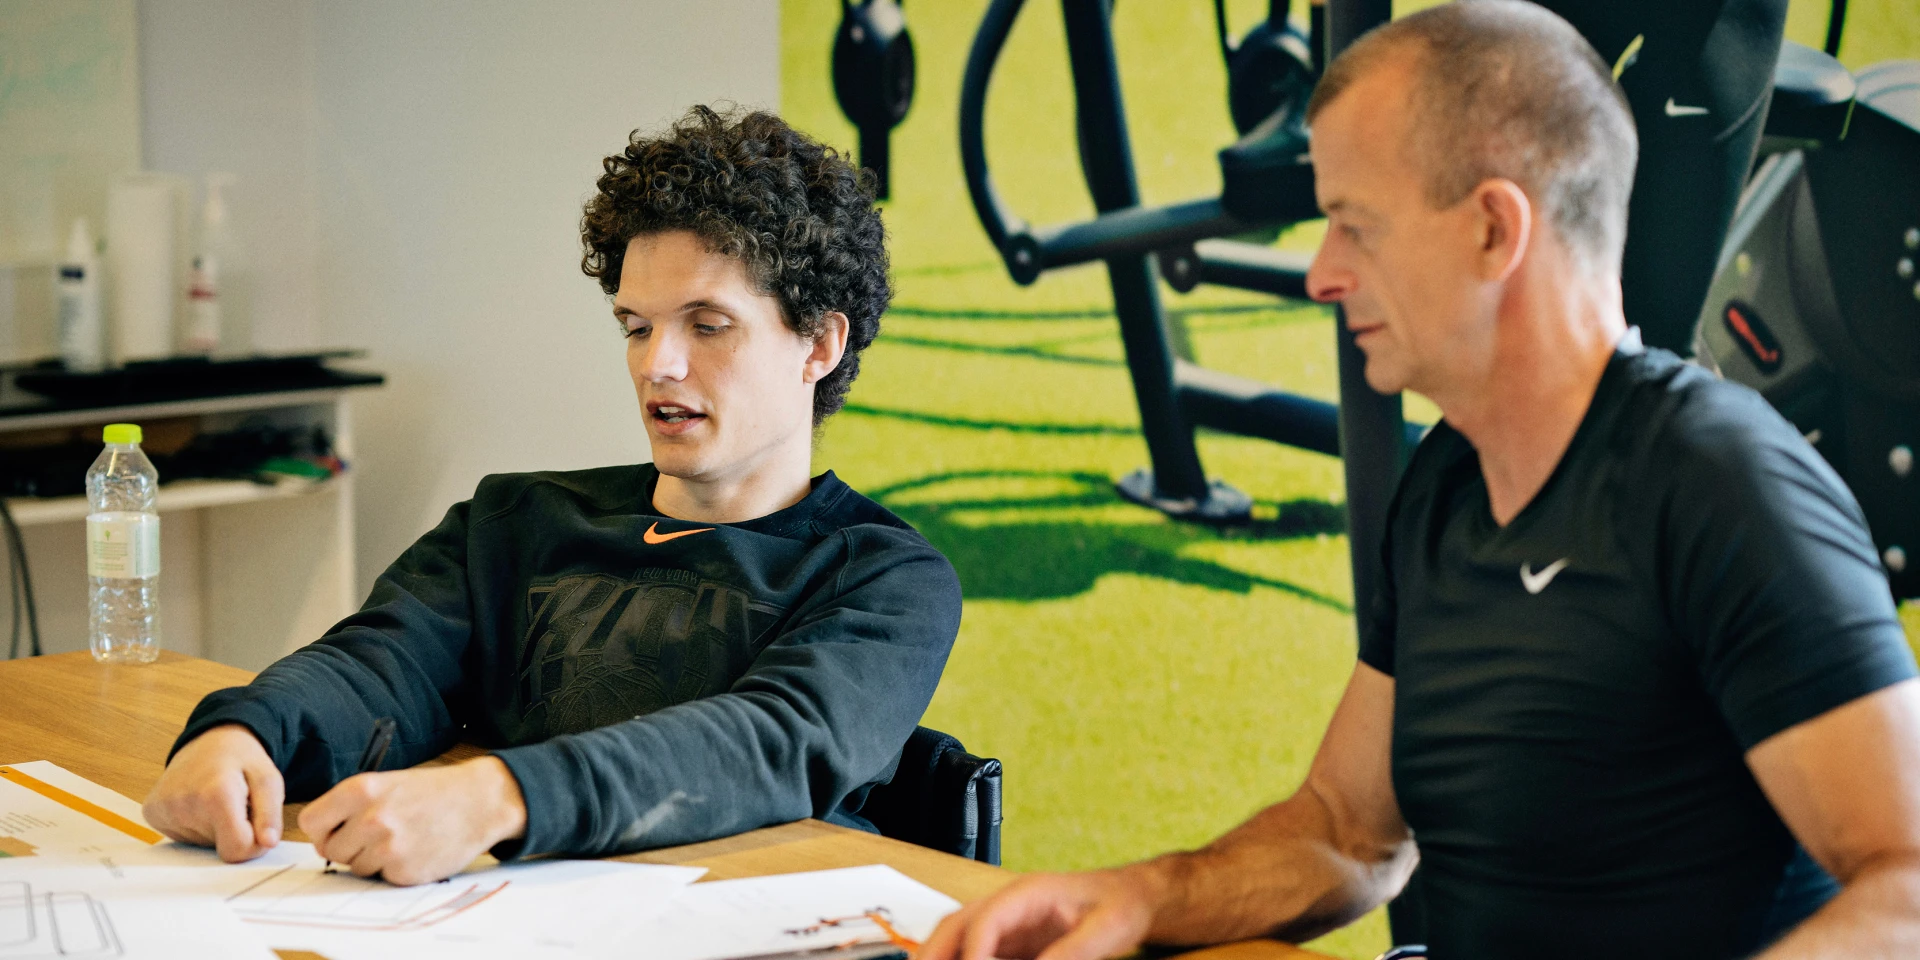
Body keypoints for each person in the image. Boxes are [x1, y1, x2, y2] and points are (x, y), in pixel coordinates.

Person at [923, 3, 1920, 958]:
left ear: (1494, 229)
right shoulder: (1449, 479)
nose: (1320, 274)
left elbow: (1906, 890)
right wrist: (1133, 896)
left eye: (1354, 225)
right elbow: (1346, 832)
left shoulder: (1719, 484)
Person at [141, 106, 962, 886]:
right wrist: (245, 733)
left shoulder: (884, 581)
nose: (657, 365)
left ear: (819, 342)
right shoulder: (512, 524)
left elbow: (769, 744)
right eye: (636, 326)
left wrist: (499, 797)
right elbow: (382, 664)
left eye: (707, 324)